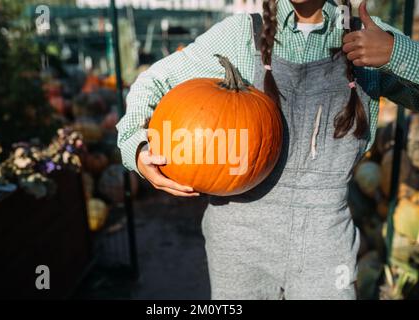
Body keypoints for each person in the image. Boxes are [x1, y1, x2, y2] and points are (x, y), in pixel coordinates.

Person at [117, 0, 419, 299]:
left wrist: (397, 54)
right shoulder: (240, 35)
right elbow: (152, 82)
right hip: (238, 243)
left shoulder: (369, 35)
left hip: (324, 242)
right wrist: (137, 146)